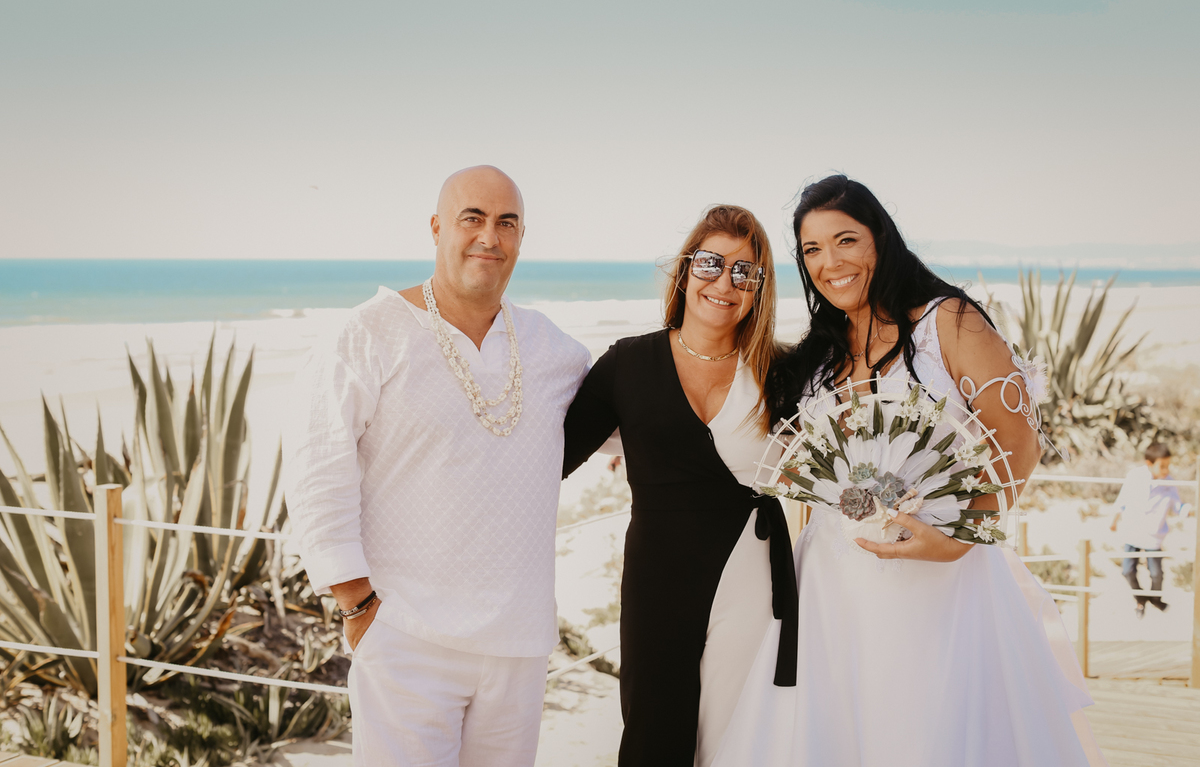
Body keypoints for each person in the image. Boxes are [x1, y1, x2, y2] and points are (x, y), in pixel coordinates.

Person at [711, 176, 1106, 766]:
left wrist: (957, 540)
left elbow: (1019, 442)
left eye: (846, 240)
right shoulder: (822, 350)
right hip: (830, 588)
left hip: (943, 583)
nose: (829, 263)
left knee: (928, 733)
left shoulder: (948, 322)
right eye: (812, 250)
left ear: (881, 238)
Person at [285, 165, 590, 767]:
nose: (489, 237)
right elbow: (317, 464)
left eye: (507, 223)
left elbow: (635, 418)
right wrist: (357, 605)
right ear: (436, 228)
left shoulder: (552, 346)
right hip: (407, 638)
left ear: (521, 237)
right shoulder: (368, 333)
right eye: (472, 218)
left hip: (519, 647)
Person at [562, 205, 796, 767]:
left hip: (751, 578)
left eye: (745, 272)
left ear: (761, 289)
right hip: (657, 583)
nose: (724, 283)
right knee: (652, 737)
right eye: (711, 263)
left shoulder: (784, 371)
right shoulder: (628, 364)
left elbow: (842, 453)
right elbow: (548, 457)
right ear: (686, 269)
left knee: (737, 736)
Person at [1110, 442, 1185, 618]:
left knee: (1157, 573)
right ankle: (1140, 599)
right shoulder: (1135, 476)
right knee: (1127, 570)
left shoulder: (1169, 483)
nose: (1166, 470)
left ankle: (1156, 599)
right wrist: (1114, 520)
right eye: (1162, 466)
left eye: (1168, 465)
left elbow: (1178, 506)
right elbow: (1122, 500)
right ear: (1149, 464)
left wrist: (1188, 510)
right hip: (1133, 532)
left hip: (1153, 535)